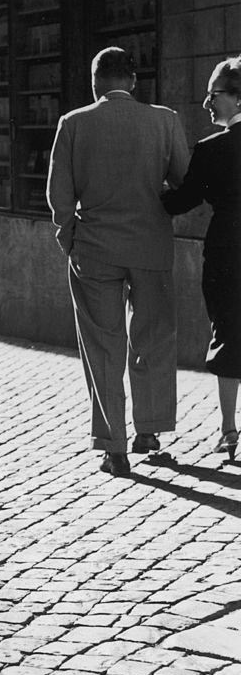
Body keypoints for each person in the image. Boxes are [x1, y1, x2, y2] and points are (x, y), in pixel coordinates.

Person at [46, 47, 190, 476]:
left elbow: (59, 194)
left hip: (94, 249)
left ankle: (114, 446)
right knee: (154, 339)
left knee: (103, 346)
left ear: (95, 82)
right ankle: (150, 429)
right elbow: (184, 180)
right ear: (131, 80)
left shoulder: (73, 124)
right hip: (151, 247)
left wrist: (69, 238)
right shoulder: (165, 120)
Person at [162, 56, 241, 461]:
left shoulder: (213, 149)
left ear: (237, 98)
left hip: (229, 250)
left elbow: (181, 201)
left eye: (214, 95)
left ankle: (229, 430)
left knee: (228, 333)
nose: (207, 103)